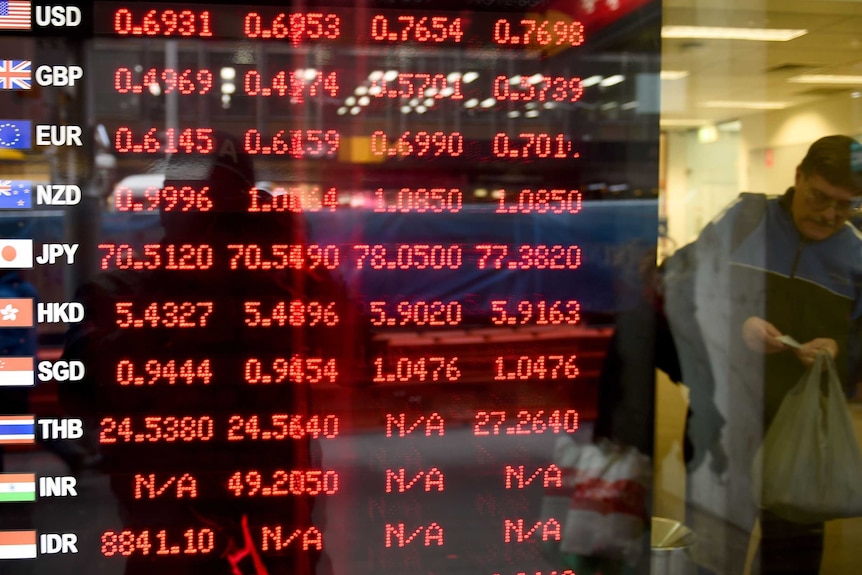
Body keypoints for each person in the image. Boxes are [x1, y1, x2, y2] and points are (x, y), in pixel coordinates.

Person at [60, 132, 367, 574]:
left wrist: (303, 264)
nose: (210, 220)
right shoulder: (121, 292)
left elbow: (357, 358)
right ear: (167, 205)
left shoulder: (279, 293)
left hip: (277, 545)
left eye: (223, 208)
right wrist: (175, 300)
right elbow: (81, 393)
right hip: (174, 550)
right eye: (194, 201)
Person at [667, 135, 862, 574]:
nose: (829, 214)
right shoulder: (745, 220)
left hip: (805, 423)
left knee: (793, 549)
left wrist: (838, 349)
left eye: (845, 205)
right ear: (798, 177)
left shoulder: (857, 249)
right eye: (819, 197)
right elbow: (683, 287)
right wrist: (739, 325)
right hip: (726, 411)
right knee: (713, 546)